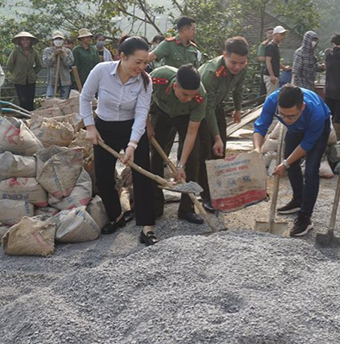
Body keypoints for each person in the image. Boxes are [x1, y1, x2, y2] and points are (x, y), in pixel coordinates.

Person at [80, 37, 157, 243]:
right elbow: (85, 98)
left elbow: (141, 114)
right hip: (104, 126)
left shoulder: (145, 81)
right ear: (122, 57)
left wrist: (132, 145)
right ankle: (117, 216)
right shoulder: (101, 71)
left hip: (132, 127)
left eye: (145, 63)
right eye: (137, 62)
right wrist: (90, 127)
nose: (142, 67)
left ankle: (146, 226)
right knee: (104, 178)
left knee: (142, 175)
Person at [253, 84, 331, 237]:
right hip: (296, 130)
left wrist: (285, 163)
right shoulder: (272, 101)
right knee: (291, 164)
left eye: (291, 116)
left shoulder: (316, 114)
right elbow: (261, 126)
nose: (286, 120)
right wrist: (257, 150)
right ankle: (298, 200)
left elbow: (307, 144)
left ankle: (305, 217)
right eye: (282, 115)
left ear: (302, 107)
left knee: (310, 171)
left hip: (317, 131)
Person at [148, 64, 207, 225]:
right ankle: (155, 205)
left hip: (184, 118)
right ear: (175, 85)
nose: (188, 99)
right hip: (161, 112)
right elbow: (141, 98)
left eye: (191, 96)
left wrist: (181, 165)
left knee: (193, 158)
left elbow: (192, 132)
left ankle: (186, 208)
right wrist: (147, 124)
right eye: (185, 94)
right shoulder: (157, 77)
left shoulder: (200, 96)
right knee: (156, 156)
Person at [196, 36, 249, 211]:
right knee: (205, 150)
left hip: (216, 106)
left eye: (241, 63)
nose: (237, 67)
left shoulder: (241, 67)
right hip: (199, 108)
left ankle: (218, 191)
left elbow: (239, 89)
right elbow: (207, 109)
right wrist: (216, 136)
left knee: (220, 150)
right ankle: (205, 196)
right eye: (233, 62)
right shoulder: (212, 73)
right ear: (224, 54)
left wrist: (237, 109)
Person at [6, 31, 42, 111]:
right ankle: (23, 117)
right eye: (23, 40)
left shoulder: (34, 52)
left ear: (30, 41)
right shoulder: (16, 52)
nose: (25, 42)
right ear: (20, 42)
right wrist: (16, 73)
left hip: (30, 79)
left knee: (30, 99)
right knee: (22, 99)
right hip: (19, 80)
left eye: (27, 40)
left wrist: (33, 72)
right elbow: (9, 65)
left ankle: (30, 117)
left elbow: (39, 65)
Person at [42, 31, 75, 99]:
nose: (58, 41)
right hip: (52, 80)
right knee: (49, 99)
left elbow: (69, 63)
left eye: (60, 39)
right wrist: (54, 55)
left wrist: (64, 55)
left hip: (65, 80)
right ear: (53, 40)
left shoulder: (68, 51)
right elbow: (47, 63)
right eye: (56, 39)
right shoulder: (48, 50)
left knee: (65, 100)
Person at [263, 26, 288, 95]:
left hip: (275, 75)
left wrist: (285, 68)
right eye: (281, 35)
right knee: (271, 97)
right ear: (275, 34)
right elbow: (268, 61)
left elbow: (276, 62)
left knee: (273, 96)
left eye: (283, 35)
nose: (283, 37)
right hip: (270, 76)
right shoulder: (270, 46)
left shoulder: (275, 46)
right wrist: (272, 76)